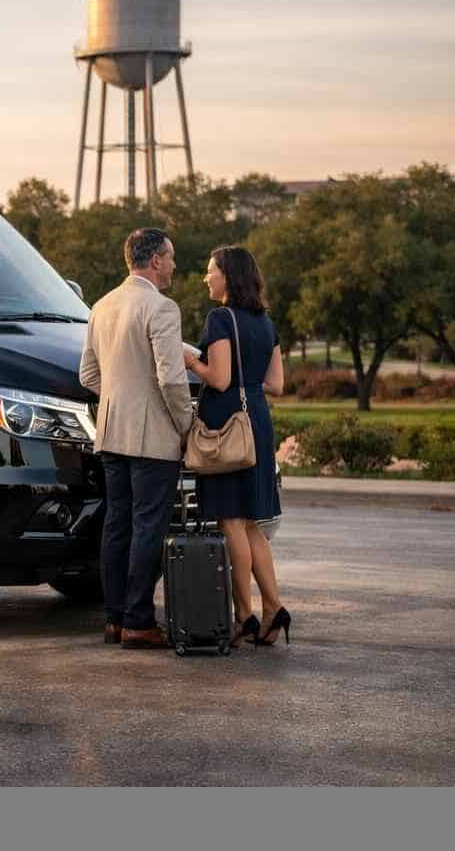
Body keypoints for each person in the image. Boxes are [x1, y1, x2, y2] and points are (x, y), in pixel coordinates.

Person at [79, 227, 193, 649]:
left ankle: (113, 619)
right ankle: (138, 621)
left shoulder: (101, 306)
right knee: (149, 527)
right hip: (152, 439)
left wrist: (119, 400)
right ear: (156, 260)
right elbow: (172, 379)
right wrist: (186, 426)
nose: (175, 265)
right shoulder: (161, 308)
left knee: (116, 526)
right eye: (172, 256)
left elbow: (87, 375)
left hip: (110, 433)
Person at [183, 245, 290, 648]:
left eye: (211, 271)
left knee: (230, 522)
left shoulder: (219, 319)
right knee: (251, 524)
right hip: (258, 423)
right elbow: (276, 384)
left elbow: (220, 378)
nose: (206, 277)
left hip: (227, 424)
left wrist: (192, 360)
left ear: (228, 275)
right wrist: (249, 386)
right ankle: (273, 608)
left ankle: (243, 615)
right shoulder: (266, 322)